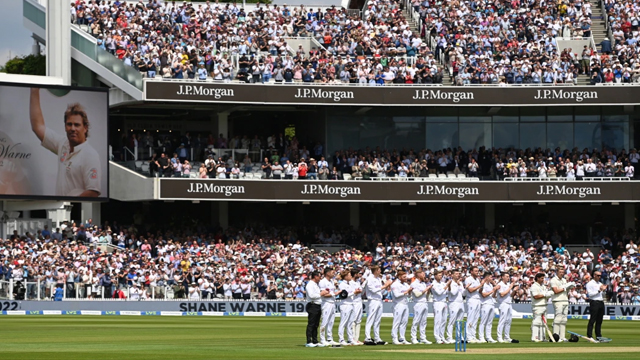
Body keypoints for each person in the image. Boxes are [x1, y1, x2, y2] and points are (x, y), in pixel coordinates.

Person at [29, 88, 101, 197]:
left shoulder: (90, 155)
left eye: (77, 125)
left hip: (76, 211)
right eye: (69, 124)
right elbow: (37, 127)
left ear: (85, 128)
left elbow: (93, 192)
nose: (72, 128)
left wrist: (70, 203)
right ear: (65, 127)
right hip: (60, 210)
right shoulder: (63, 144)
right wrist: (34, 90)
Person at [364, 265, 392, 345]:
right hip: (373, 300)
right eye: (379, 270)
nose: (380, 271)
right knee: (371, 319)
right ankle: (367, 337)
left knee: (378, 320)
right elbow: (373, 290)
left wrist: (386, 288)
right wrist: (385, 286)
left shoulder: (378, 279)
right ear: (375, 270)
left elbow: (380, 291)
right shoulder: (370, 279)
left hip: (379, 300)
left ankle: (377, 338)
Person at [550, 267, 575, 341]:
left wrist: (569, 287)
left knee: (564, 319)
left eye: (562, 272)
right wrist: (565, 288)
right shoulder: (553, 280)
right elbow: (556, 291)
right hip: (557, 301)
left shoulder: (564, 280)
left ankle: (562, 337)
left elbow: (565, 291)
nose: (562, 273)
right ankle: (556, 336)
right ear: (557, 272)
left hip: (565, 300)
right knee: (558, 318)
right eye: (560, 272)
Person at [409, 269, 432, 344]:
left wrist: (428, 290)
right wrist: (426, 289)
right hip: (418, 303)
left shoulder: (423, 283)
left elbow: (426, 295)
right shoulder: (414, 284)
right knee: (416, 321)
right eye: (423, 274)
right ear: (418, 274)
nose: (424, 276)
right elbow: (417, 294)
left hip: (424, 303)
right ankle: (413, 338)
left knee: (423, 322)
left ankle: (423, 338)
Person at [318, 267, 339, 346]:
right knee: (324, 321)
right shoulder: (322, 282)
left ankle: (330, 338)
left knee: (331, 322)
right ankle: (322, 339)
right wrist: (335, 294)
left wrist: (334, 293)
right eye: (332, 272)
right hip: (326, 303)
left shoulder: (331, 281)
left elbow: (332, 292)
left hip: (332, 302)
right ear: (327, 273)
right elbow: (323, 294)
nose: (333, 273)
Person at [530, 272, 553, 342]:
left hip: (544, 305)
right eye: (542, 278)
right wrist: (544, 294)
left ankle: (542, 337)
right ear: (538, 278)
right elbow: (536, 296)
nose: (543, 280)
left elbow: (545, 296)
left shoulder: (543, 286)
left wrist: (548, 295)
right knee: (537, 322)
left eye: (544, 278)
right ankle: (535, 337)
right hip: (537, 306)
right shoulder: (534, 286)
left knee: (544, 323)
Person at [337, 269, 359, 345]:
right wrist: (354, 292)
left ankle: (350, 339)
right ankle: (341, 339)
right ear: (346, 276)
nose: (351, 276)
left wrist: (355, 292)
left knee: (350, 323)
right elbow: (344, 295)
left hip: (351, 304)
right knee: (343, 322)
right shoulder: (342, 284)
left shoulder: (350, 284)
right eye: (349, 275)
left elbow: (352, 293)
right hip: (345, 304)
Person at [391, 270, 412, 345]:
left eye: (406, 276)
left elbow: (409, 296)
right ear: (399, 277)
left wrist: (409, 292)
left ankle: (402, 338)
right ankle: (394, 338)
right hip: (398, 304)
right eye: (404, 277)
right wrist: (406, 291)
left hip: (405, 304)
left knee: (404, 322)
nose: (406, 278)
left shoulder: (405, 284)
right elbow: (396, 295)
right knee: (397, 322)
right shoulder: (394, 284)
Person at [479, 271, 500, 343]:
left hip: (492, 304)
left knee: (489, 322)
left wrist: (495, 289)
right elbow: (484, 295)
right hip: (485, 304)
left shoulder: (490, 285)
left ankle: (489, 337)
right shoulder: (483, 285)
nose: (492, 278)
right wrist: (493, 290)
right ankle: (481, 337)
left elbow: (493, 296)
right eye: (491, 277)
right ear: (487, 277)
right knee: (483, 322)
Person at [586, 271, 607, 341]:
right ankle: (589, 335)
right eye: (598, 275)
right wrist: (599, 290)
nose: (599, 277)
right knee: (593, 319)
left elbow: (602, 294)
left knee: (599, 320)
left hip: (601, 302)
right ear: (594, 275)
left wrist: (604, 290)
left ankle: (598, 336)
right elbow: (590, 295)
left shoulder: (600, 283)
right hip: (594, 302)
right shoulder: (590, 284)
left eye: (600, 276)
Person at [305, 270, 324, 347]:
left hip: (318, 305)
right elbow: (311, 296)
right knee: (311, 324)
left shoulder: (316, 285)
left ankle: (315, 341)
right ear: (315, 276)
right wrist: (321, 294)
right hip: (312, 305)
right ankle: (309, 341)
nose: (320, 278)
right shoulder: (310, 285)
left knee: (316, 324)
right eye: (319, 276)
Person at [464, 266, 483, 343]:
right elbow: (471, 290)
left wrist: (481, 286)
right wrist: (480, 285)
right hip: (471, 299)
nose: (477, 272)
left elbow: (479, 290)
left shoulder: (477, 280)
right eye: (475, 271)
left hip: (478, 299)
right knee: (470, 319)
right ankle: (468, 337)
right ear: (471, 271)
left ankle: (473, 336)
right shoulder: (468, 279)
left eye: (477, 271)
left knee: (475, 319)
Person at [496, 272, 516, 343]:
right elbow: (502, 294)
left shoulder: (507, 284)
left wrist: (514, 290)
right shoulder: (500, 284)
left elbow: (510, 295)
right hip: (503, 303)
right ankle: (499, 337)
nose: (508, 278)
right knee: (502, 321)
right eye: (507, 276)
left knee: (508, 321)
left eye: (508, 276)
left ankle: (507, 337)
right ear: (502, 277)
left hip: (509, 303)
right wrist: (510, 287)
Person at [446, 269, 464, 344]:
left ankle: (460, 337)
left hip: (461, 302)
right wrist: (457, 285)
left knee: (460, 321)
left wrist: (462, 286)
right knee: (452, 321)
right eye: (456, 274)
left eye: (458, 274)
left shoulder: (460, 283)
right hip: (453, 303)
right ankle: (449, 337)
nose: (458, 275)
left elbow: (463, 293)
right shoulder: (451, 283)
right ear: (452, 275)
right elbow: (453, 293)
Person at [431, 269, 448, 344]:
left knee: (444, 321)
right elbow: (439, 293)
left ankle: (442, 337)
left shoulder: (442, 283)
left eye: (441, 275)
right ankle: (437, 337)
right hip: (437, 302)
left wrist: (446, 287)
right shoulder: (433, 284)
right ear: (435, 276)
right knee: (437, 321)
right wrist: (446, 287)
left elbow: (447, 292)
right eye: (439, 275)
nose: (441, 276)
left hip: (444, 302)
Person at [350, 268, 365, 345]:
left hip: (359, 301)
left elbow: (360, 291)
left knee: (359, 320)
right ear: (355, 274)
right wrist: (357, 291)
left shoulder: (358, 282)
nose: (359, 275)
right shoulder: (351, 283)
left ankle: (357, 339)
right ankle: (352, 338)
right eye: (358, 274)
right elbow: (354, 292)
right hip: (354, 302)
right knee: (353, 320)